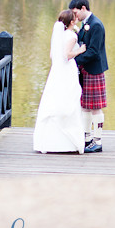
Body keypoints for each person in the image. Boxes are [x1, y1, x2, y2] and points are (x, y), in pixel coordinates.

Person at [33, 9, 87, 154]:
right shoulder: (71, 36)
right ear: (71, 22)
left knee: (55, 98)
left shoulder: (59, 36)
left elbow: (53, 55)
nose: (76, 20)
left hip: (57, 71)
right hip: (67, 70)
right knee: (68, 99)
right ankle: (67, 143)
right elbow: (67, 55)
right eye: (75, 18)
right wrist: (80, 50)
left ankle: (49, 141)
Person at [69, 0, 108, 153]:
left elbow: (93, 52)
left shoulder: (96, 25)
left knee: (96, 108)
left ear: (83, 8)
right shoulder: (85, 24)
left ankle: (97, 141)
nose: (74, 16)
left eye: (76, 12)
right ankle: (86, 138)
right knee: (84, 106)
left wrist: (74, 61)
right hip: (85, 71)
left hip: (94, 70)